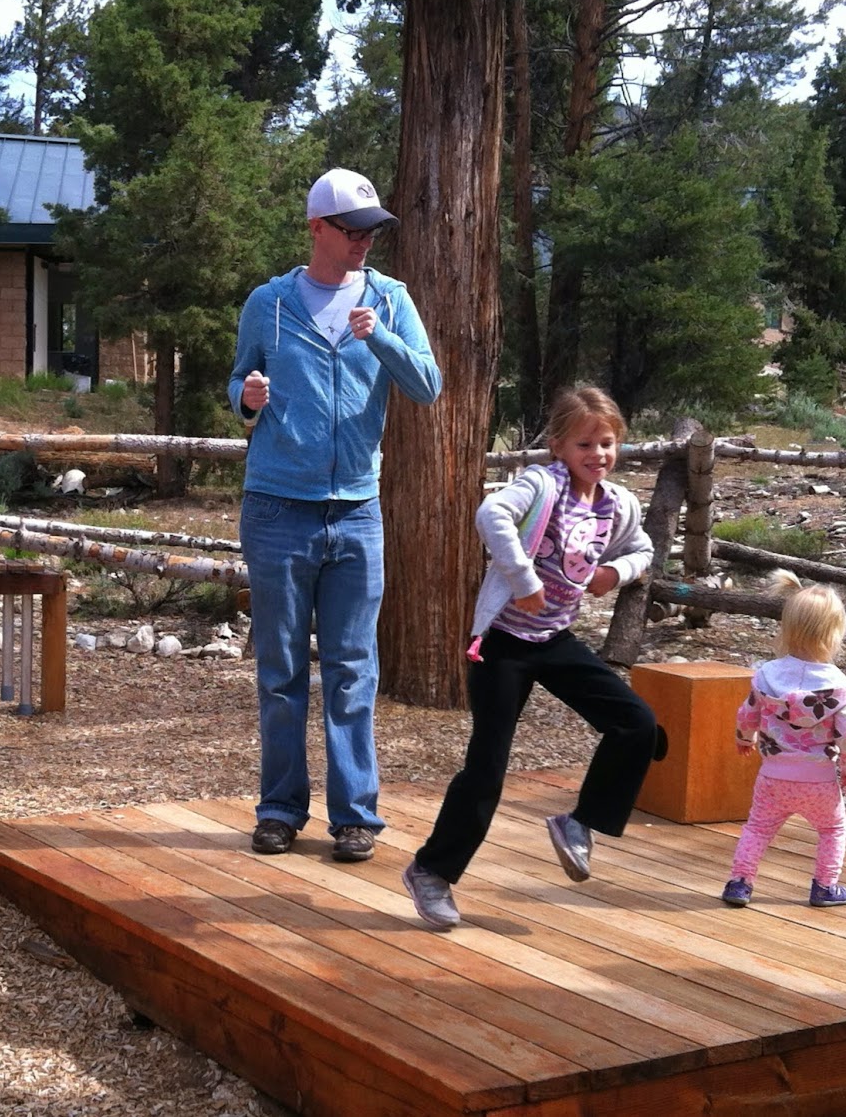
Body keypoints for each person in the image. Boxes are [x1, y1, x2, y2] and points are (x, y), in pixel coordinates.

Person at [229, 167, 442, 864]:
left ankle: (355, 816)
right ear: (316, 228)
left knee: (353, 670)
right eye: (352, 230)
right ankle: (280, 810)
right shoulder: (269, 303)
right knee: (280, 670)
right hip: (276, 508)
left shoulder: (389, 299)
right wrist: (245, 397)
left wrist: (381, 338)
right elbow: (238, 378)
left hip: (356, 511)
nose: (364, 242)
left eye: (372, 231)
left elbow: (427, 386)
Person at [401, 387, 659, 930]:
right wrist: (522, 579)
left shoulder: (617, 504)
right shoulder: (542, 485)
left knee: (637, 723)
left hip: (555, 640)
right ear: (559, 445)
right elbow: (491, 514)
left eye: (607, 443)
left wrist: (617, 572)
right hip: (502, 643)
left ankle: (580, 823)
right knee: (487, 767)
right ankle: (431, 872)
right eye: (584, 444)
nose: (597, 454)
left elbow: (643, 549)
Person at [721, 570, 846, 909]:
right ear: (834, 634)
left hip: (773, 777)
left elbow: (747, 713)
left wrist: (745, 738)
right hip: (818, 781)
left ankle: (740, 883)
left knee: (757, 828)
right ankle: (825, 886)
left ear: (786, 629)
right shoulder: (837, 686)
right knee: (832, 830)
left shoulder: (767, 676)